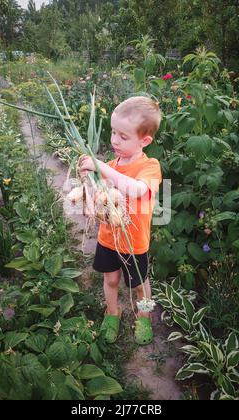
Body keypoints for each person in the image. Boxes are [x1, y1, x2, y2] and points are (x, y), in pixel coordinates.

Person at [79, 96, 162, 345]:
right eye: (113, 132)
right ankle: (112, 312)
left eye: (123, 136)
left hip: (135, 242)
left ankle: (144, 315)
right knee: (110, 279)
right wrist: (91, 199)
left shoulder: (150, 167)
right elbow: (103, 198)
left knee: (140, 284)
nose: (114, 140)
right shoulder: (111, 165)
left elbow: (137, 189)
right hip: (108, 238)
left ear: (144, 141)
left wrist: (101, 168)